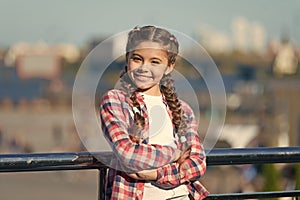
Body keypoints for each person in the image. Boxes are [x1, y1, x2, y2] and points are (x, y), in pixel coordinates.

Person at [100, 25, 208, 200]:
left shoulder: (184, 110)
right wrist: (176, 153)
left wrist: (156, 173)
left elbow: (198, 163)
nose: (144, 67)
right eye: (137, 59)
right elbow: (128, 154)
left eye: (155, 62)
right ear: (127, 59)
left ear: (169, 66)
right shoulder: (115, 101)